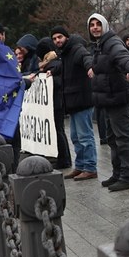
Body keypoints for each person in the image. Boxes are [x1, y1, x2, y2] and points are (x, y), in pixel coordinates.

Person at [88, 13, 129, 191]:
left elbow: (123, 58)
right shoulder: (99, 45)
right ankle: (118, 173)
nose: (95, 27)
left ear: (105, 26)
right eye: (92, 25)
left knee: (124, 138)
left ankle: (127, 176)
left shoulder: (112, 43)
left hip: (119, 98)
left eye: (98, 24)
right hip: (108, 100)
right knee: (112, 138)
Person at [50, 26, 98, 181]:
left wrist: (90, 67)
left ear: (66, 37)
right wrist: (52, 70)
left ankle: (90, 167)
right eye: (55, 38)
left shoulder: (77, 49)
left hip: (82, 101)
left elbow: (86, 58)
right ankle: (80, 166)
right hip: (73, 102)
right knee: (76, 137)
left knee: (85, 137)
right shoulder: (64, 54)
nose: (57, 40)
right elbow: (63, 68)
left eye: (60, 37)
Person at [31, 37, 73, 171]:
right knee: (58, 131)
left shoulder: (53, 63)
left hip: (56, 102)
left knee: (58, 131)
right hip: (55, 102)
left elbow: (58, 81)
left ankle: (64, 159)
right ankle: (63, 158)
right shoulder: (53, 62)